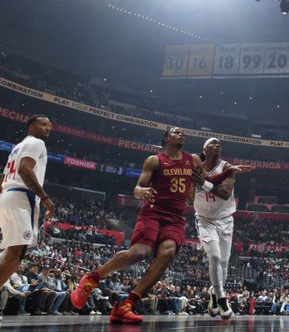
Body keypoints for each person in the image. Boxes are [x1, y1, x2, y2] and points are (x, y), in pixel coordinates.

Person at [70, 127, 205, 323]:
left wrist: (195, 183)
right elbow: (137, 188)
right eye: (176, 132)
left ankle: (126, 305)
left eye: (183, 132)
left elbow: (191, 200)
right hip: (153, 212)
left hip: (176, 217)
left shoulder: (192, 159)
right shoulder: (154, 160)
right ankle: (93, 278)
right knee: (139, 252)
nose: (182, 134)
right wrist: (141, 192)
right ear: (166, 138)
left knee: (167, 254)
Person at [192, 137, 252, 319]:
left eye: (219, 144)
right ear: (205, 149)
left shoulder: (227, 168)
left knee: (224, 267)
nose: (218, 146)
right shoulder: (196, 168)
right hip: (204, 220)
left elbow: (225, 194)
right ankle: (222, 300)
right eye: (213, 143)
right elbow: (189, 196)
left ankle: (214, 292)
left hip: (225, 220)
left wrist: (203, 183)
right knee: (215, 257)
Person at [0, 115, 56, 291]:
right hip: (22, 196)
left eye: (49, 125)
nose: (48, 128)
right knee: (16, 253)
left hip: (8, 194)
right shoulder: (37, 143)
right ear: (31, 127)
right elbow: (25, 169)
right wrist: (45, 198)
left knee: (13, 252)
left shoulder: (18, 146)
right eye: (43, 124)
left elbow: (4, 176)